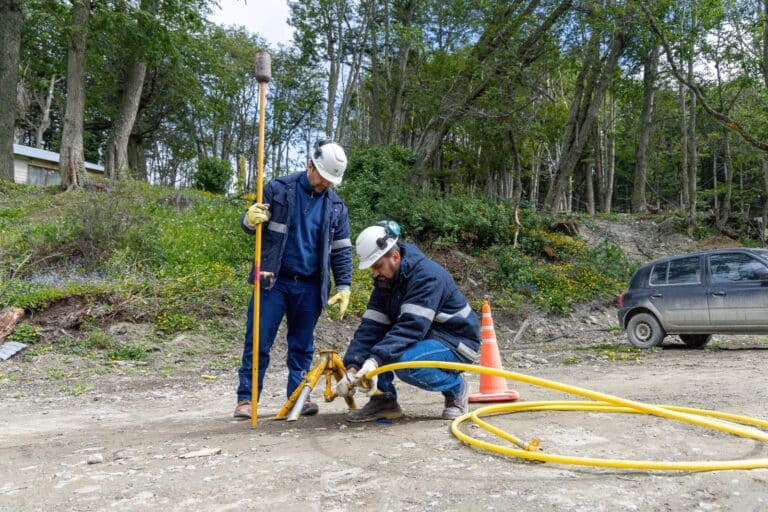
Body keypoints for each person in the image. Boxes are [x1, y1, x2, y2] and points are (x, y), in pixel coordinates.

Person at [234, 140, 353, 419]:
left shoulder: (336, 207)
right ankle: (246, 400)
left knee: (302, 345)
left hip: (311, 286)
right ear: (310, 166)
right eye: (323, 178)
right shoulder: (277, 190)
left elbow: (341, 250)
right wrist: (249, 220)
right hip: (272, 281)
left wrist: (344, 285)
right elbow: (251, 225)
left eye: (331, 182)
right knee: (258, 341)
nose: (326, 185)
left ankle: (299, 396)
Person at [336, 221, 480, 422]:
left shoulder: (427, 277)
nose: (374, 273)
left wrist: (374, 360)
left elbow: (411, 328)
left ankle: (457, 389)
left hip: (456, 342)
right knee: (377, 349)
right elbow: (370, 329)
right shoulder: (384, 281)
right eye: (371, 268)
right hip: (426, 336)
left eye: (377, 266)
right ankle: (383, 402)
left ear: (395, 256)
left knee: (405, 363)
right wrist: (352, 367)